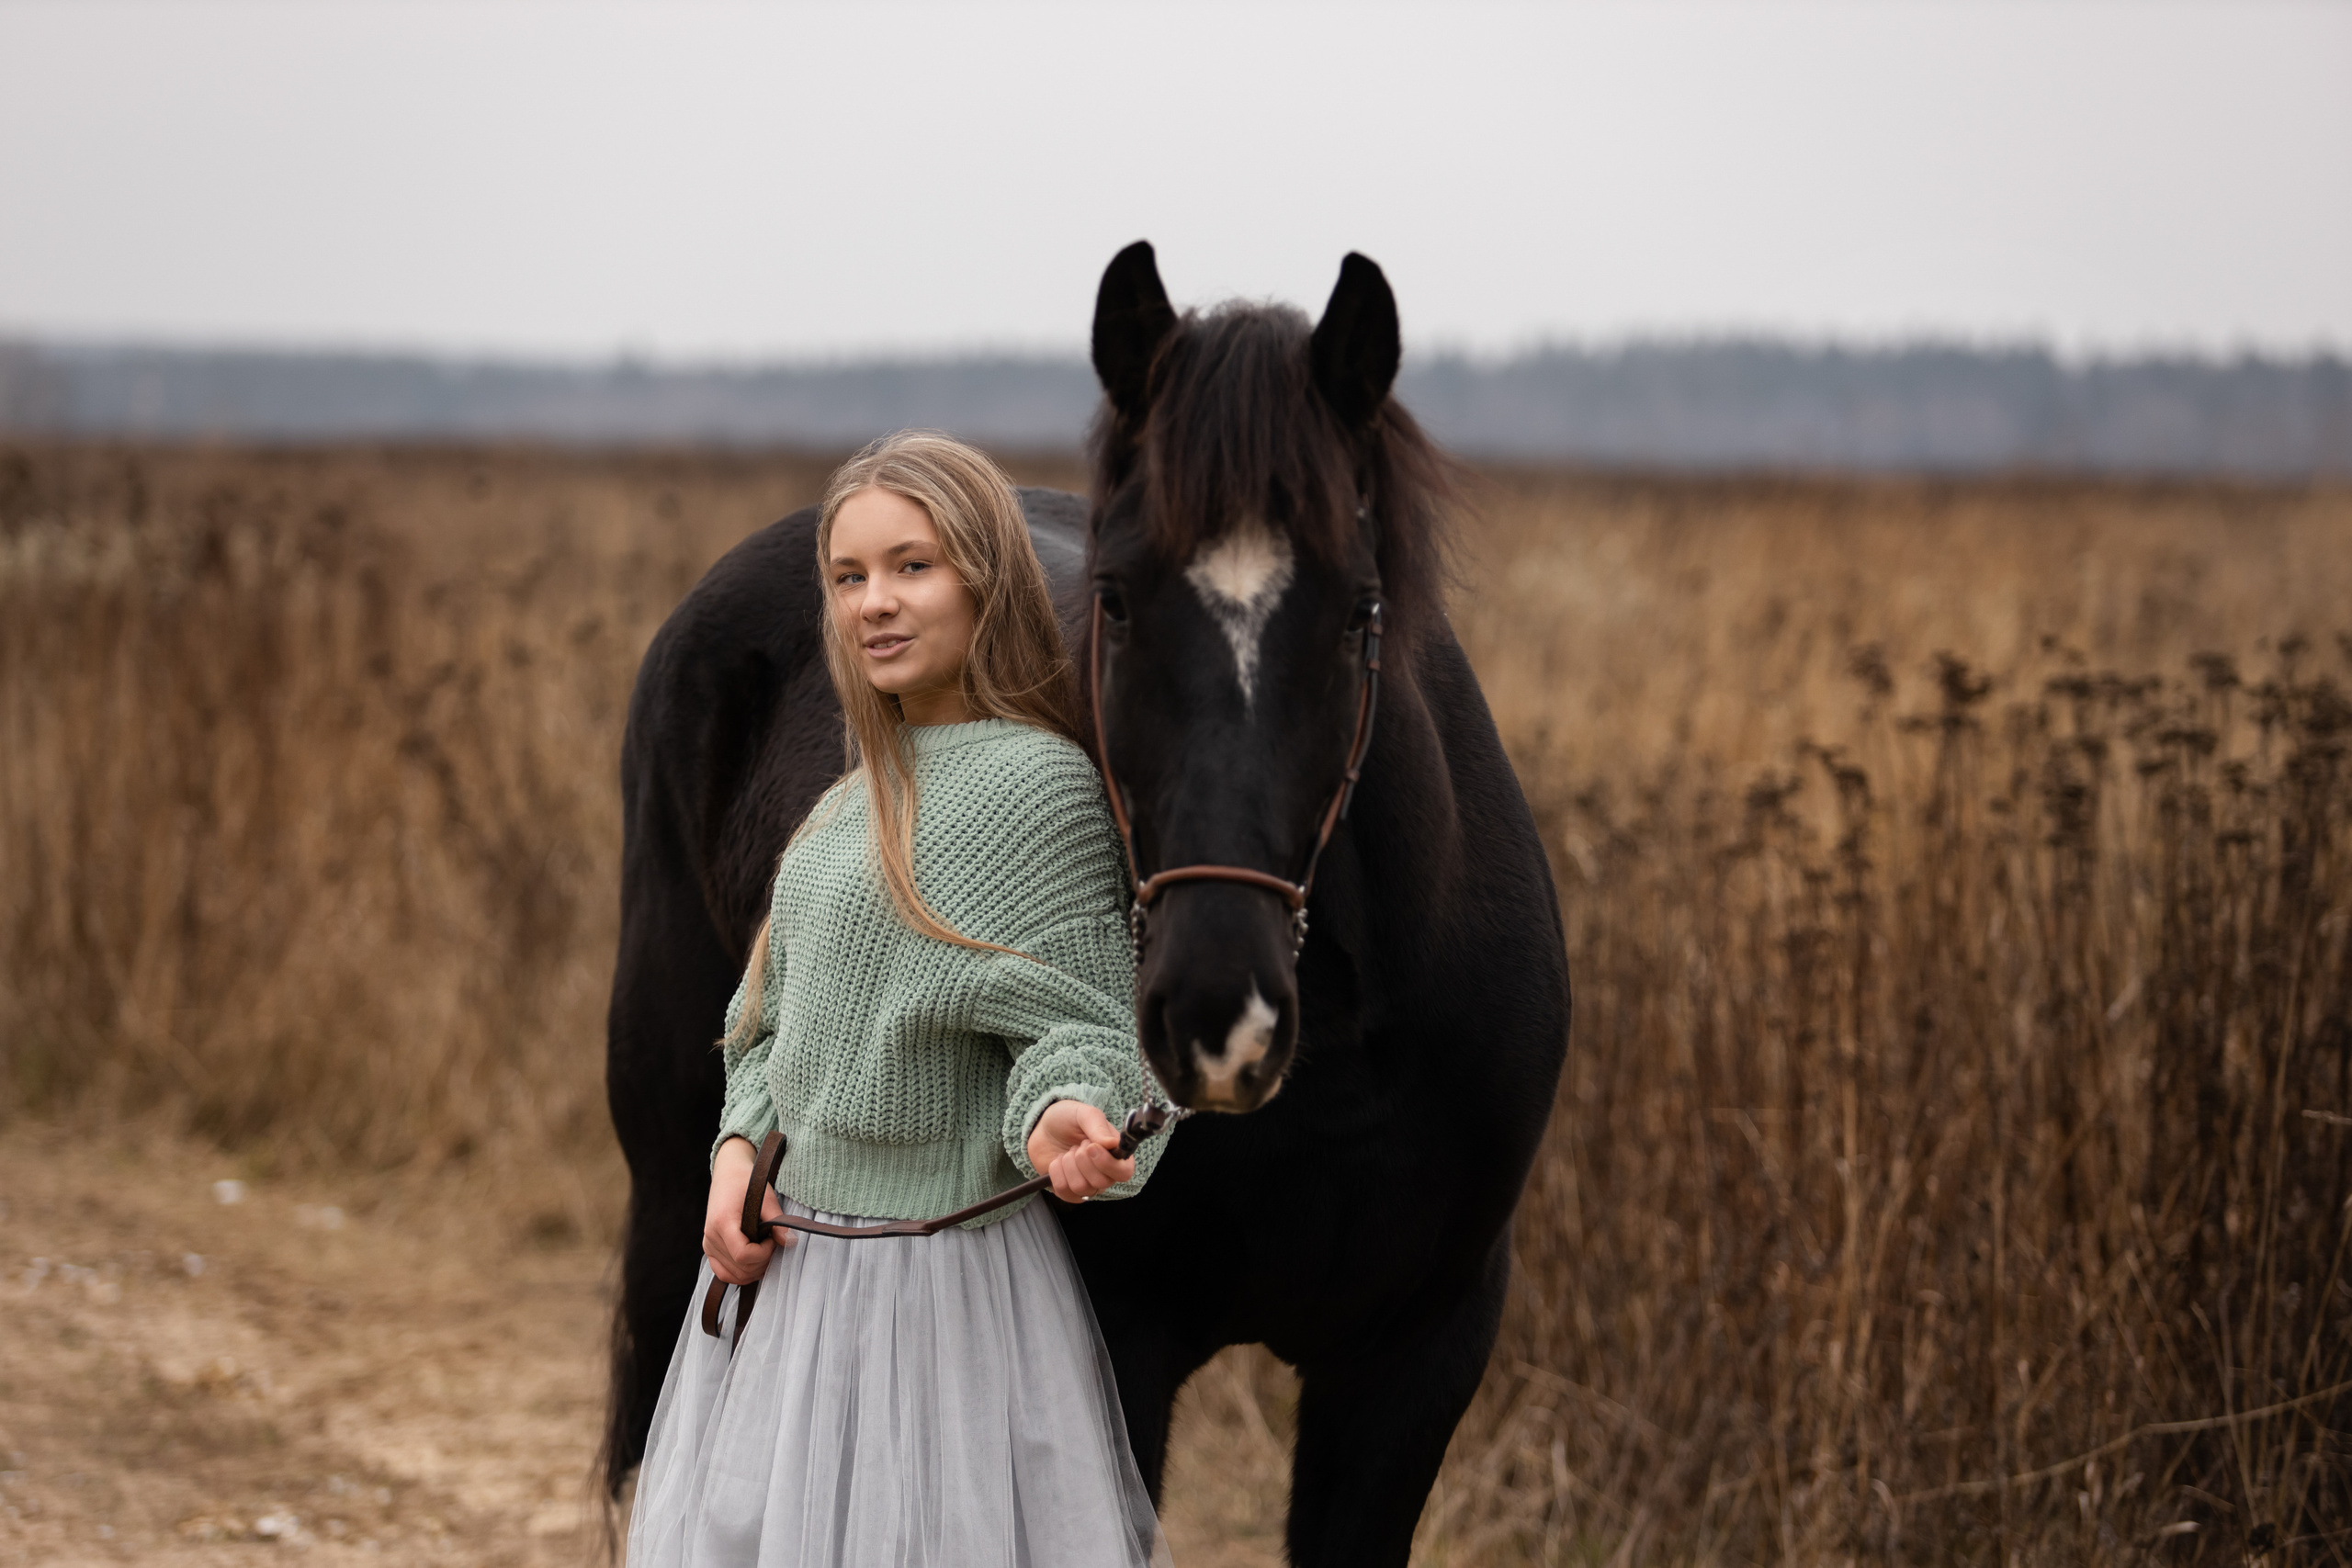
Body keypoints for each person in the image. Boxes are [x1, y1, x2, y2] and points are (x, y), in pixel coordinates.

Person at [626, 432, 1172, 1568]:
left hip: (945, 1302)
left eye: (911, 567)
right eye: (848, 577)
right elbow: (764, 1028)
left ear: (986, 578)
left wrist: (1062, 1110)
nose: (874, 602)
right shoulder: (841, 808)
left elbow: (1077, 1023)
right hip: (801, 1292)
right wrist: (736, 1154)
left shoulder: (1041, 786)